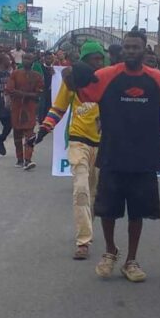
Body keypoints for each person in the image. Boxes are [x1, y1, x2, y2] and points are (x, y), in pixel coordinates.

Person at [62, 29, 160, 282]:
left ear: (145, 49)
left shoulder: (157, 79)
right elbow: (81, 92)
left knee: (137, 212)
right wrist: (70, 77)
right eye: (127, 47)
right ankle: (110, 251)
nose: (131, 51)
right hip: (112, 152)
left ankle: (131, 260)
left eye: (136, 47)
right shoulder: (105, 76)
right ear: (122, 49)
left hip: (144, 155)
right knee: (107, 210)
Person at [36, 41, 105, 260]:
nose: (99, 63)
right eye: (94, 58)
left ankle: (86, 228)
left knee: (94, 194)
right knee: (81, 189)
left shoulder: (108, 80)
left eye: (101, 58)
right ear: (85, 61)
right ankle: (83, 241)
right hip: (78, 140)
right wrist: (44, 129)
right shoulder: (72, 81)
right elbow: (58, 108)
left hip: (103, 144)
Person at [6, 52, 44, 170]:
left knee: (30, 135)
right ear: (22, 60)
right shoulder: (15, 74)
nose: (27, 61)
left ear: (33, 61)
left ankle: (28, 159)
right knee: (17, 135)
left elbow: (39, 94)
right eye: (25, 58)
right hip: (16, 108)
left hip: (30, 109)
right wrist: (27, 94)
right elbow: (10, 90)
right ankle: (19, 159)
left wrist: (23, 94)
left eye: (29, 59)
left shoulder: (37, 76)